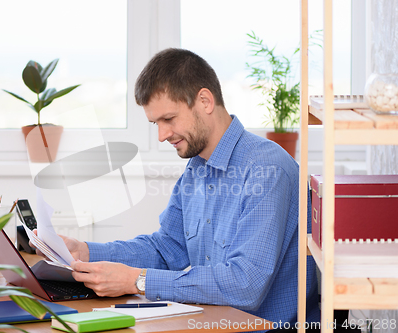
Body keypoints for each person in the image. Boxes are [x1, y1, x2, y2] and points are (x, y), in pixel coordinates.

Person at [38, 48, 320, 328]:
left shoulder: (267, 170)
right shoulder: (197, 168)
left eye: (169, 119)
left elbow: (245, 284)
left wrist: (137, 280)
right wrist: (86, 251)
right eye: (155, 123)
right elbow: (167, 248)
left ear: (205, 101)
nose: (162, 135)